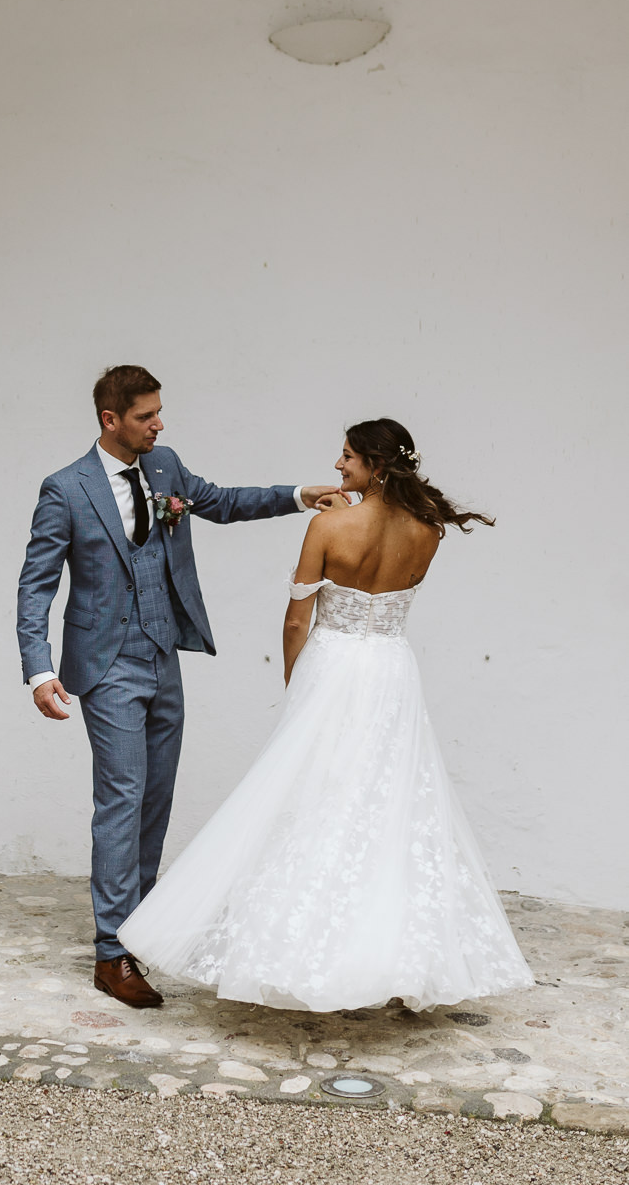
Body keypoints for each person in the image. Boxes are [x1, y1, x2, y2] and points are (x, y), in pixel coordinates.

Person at [118, 417, 534, 1012]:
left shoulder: (328, 526)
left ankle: (304, 954)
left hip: (334, 666)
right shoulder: (429, 529)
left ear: (376, 465)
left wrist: (296, 675)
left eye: (346, 457)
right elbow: (395, 599)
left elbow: (297, 618)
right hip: (392, 669)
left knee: (313, 798)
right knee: (389, 804)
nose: (338, 467)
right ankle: (389, 960)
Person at [16, 365, 339, 1008]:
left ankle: (137, 931)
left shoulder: (165, 468)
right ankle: (112, 954)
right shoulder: (66, 488)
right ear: (111, 420)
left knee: (155, 799)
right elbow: (37, 583)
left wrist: (302, 495)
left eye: (159, 413)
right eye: (145, 416)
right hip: (106, 664)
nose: (158, 424)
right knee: (121, 797)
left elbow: (221, 502)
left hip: (166, 657)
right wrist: (39, 667)